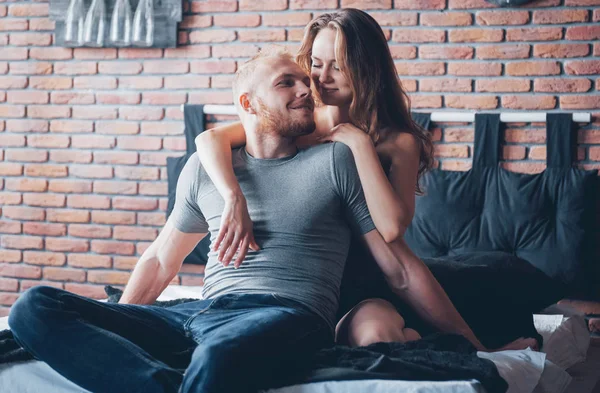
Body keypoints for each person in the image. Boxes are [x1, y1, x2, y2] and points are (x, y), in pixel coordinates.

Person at [8, 48, 484, 393]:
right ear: (249, 105)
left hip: (284, 312)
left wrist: (468, 340)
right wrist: (123, 324)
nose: (307, 90)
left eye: (306, 80)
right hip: (198, 312)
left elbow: (397, 268)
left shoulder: (336, 161)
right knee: (33, 308)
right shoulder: (205, 169)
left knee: (218, 356)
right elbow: (159, 261)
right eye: (287, 83)